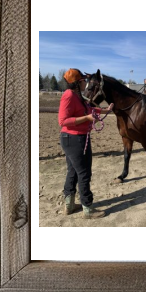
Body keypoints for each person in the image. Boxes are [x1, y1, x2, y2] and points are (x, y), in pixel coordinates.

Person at [58, 68, 113, 219]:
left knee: (73, 171)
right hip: (75, 139)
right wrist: (87, 119)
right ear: (77, 83)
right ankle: (88, 208)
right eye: (84, 81)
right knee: (84, 173)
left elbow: (88, 109)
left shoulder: (77, 95)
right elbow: (63, 121)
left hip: (74, 139)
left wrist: (104, 110)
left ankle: (69, 205)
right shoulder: (69, 96)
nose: (86, 83)